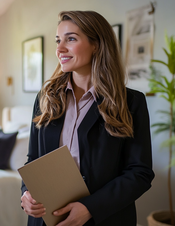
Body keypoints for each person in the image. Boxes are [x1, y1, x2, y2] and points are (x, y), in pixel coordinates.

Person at [21, 10, 154, 226]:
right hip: (47, 220)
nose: (59, 49)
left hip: (105, 219)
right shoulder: (45, 99)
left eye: (70, 39)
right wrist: (27, 193)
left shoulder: (131, 102)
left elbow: (140, 173)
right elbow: (34, 160)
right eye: (58, 40)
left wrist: (90, 208)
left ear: (97, 44)